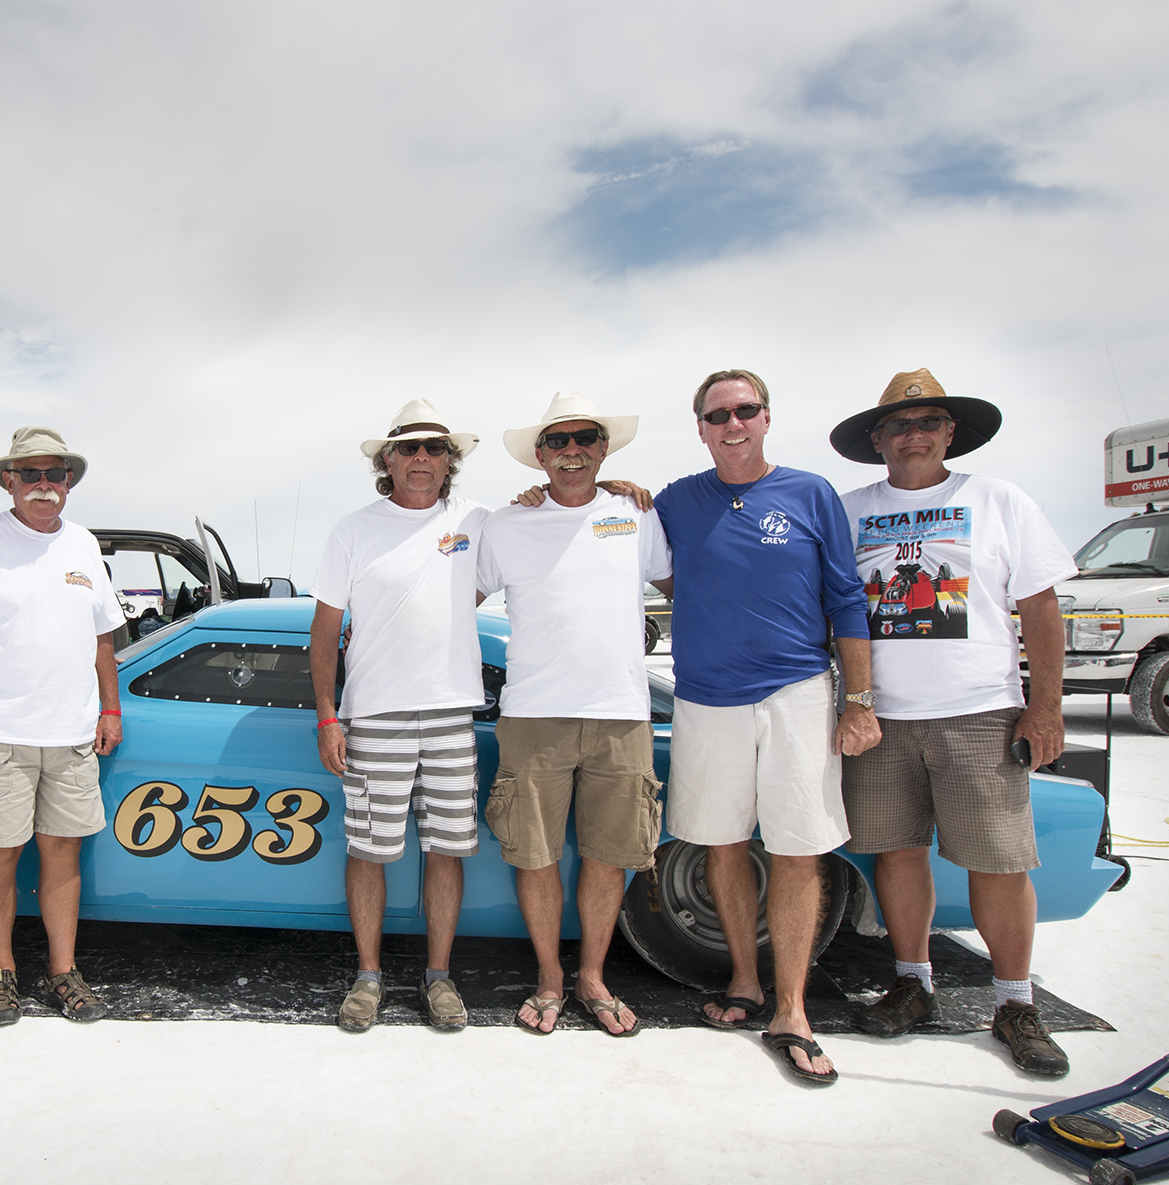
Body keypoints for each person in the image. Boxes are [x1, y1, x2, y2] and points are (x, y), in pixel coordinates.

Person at [830, 370, 1076, 1075]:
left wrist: (1046, 704)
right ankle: (913, 982)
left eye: (927, 421)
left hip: (979, 712)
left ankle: (1015, 1003)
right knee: (897, 851)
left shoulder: (1000, 501)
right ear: (877, 440)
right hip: (880, 715)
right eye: (898, 425)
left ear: (950, 432)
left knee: (996, 860)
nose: (913, 435)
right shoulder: (849, 511)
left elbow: (1040, 610)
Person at [653, 369, 879, 1085]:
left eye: (744, 410)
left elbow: (846, 599)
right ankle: (745, 982)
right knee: (720, 843)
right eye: (717, 415)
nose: (732, 424)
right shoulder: (674, 501)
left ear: (767, 418)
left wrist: (859, 699)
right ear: (700, 428)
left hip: (797, 693)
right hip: (706, 699)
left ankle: (792, 1008)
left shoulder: (811, 493)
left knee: (796, 849)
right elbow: (633, 547)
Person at [478, 392, 671, 1037]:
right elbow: (453, 596)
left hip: (622, 715)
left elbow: (689, 588)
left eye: (585, 437)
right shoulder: (505, 524)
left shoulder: (637, 513)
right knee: (533, 855)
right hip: (534, 716)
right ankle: (550, 979)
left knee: (609, 856)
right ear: (540, 455)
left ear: (604, 447)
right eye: (557, 441)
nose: (572, 451)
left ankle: (592, 976)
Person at [0, 427, 124, 1026]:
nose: (43, 485)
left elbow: (103, 637)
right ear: (8, 480)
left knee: (63, 859)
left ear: (68, 483)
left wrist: (109, 709)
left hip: (70, 736)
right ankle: (0, 972)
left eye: (54, 474)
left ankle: (62, 972)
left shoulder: (84, 545)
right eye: (30, 474)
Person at [310, 399, 488, 1033]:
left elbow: (553, 515)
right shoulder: (352, 529)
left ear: (450, 461)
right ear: (386, 460)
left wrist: (613, 490)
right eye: (409, 448)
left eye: (435, 449)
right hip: (373, 716)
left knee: (446, 851)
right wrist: (329, 716)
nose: (421, 458)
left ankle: (438, 977)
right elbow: (324, 629)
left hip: (449, 715)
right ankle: (368, 977)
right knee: (369, 852)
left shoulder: (479, 520)